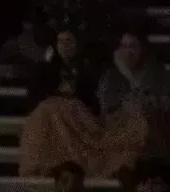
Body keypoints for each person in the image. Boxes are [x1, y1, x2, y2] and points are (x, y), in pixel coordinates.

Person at [18, 27, 112, 176]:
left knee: (72, 111)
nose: (65, 46)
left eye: (69, 41)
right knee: (47, 111)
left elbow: (91, 97)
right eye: (61, 42)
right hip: (51, 110)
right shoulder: (44, 68)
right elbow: (36, 94)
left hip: (78, 110)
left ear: (76, 45)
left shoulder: (86, 69)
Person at [99, 29, 170, 175]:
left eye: (133, 46)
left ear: (142, 49)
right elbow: (107, 107)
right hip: (122, 133)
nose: (128, 51)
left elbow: (163, 102)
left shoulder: (157, 71)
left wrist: (130, 79)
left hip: (153, 132)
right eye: (124, 46)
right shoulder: (111, 75)